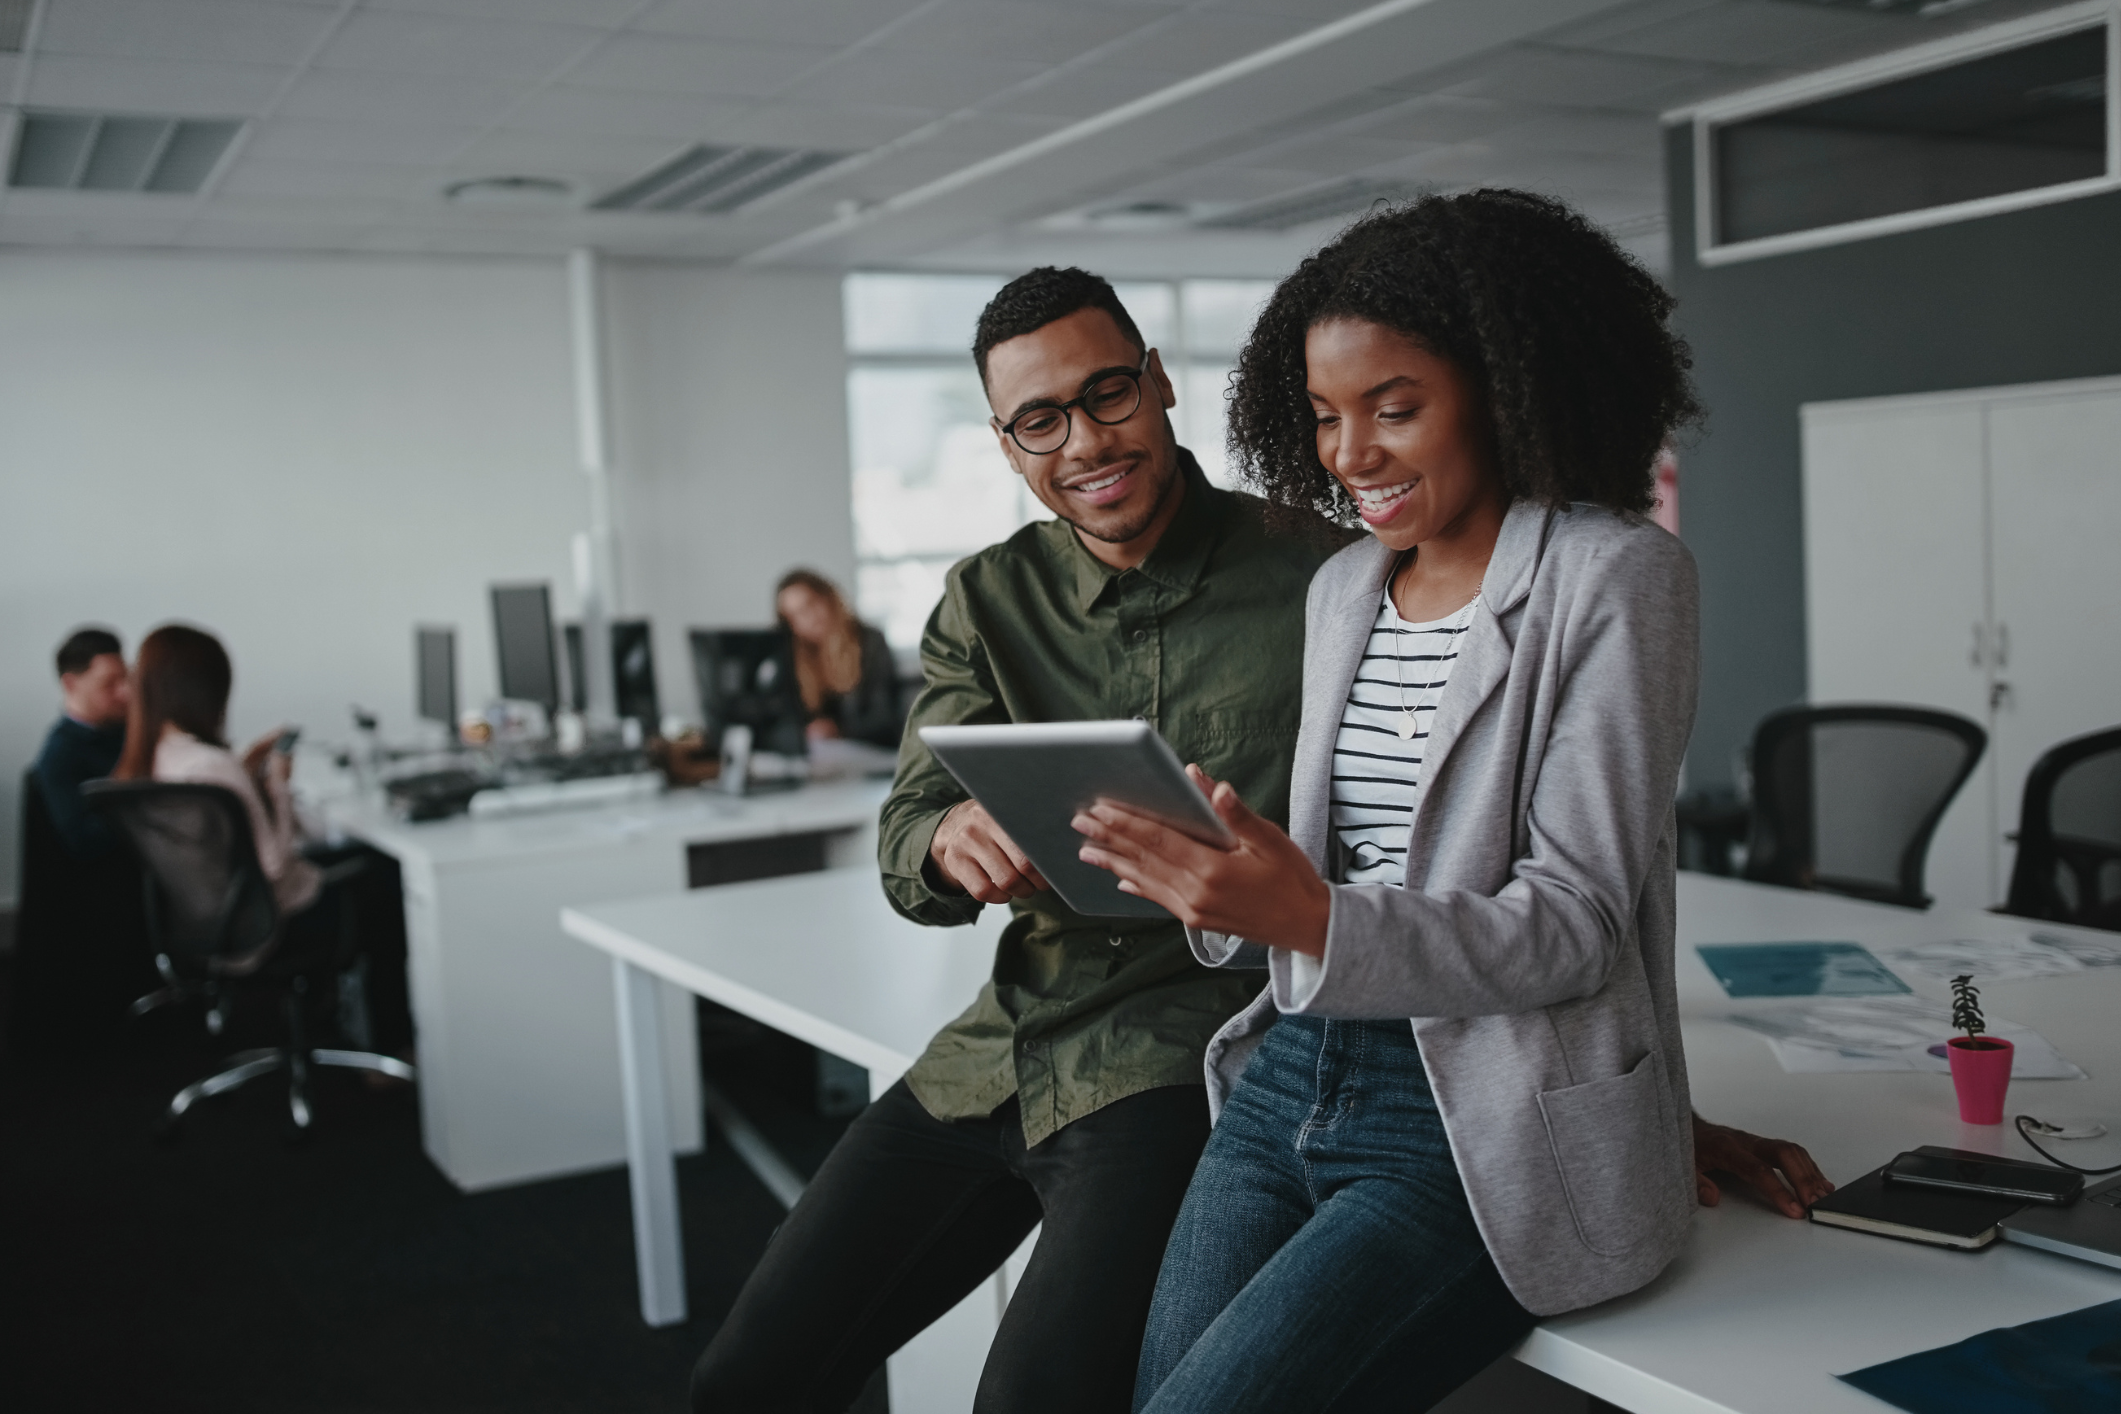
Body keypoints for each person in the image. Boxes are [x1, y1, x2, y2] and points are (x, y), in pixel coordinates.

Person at [689, 266, 1827, 1414]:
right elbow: (909, 834)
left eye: (1109, 394)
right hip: (1031, 1038)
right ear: (1005, 441)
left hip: (1190, 1053)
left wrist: (1625, 1104)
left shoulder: (1327, 568)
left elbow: (1539, 886)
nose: (1084, 439)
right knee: (743, 1378)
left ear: (1161, 381)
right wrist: (946, 839)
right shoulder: (994, 599)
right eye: (1041, 419)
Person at [1070, 191, 1801, 1414]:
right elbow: (1334, 873)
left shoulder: (1617, 577)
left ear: (1507, 390)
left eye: (1394, 408)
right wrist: (1223, 870)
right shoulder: (1345, 587)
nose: (1349, 454)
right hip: (1296, 1062)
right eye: (1322, 417)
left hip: (1474, 1115)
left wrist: (1309, 915)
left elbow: (1574, 924)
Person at [113, 624, 319, 916]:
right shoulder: (213, 764)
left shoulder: (156, 756)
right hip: (267, 924)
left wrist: (247, 767)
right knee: (381, 869)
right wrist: (279, 782)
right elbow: (274, 866)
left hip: (204, 921)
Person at [773, 569, 905, 749]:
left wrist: (839, 730)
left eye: (810, 604)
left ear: (828, 598)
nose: (808, 618)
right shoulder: (790, 657)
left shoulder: (870, 642)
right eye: (795, 615)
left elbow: (886, 719)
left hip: (871, 754)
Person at [30, 627, 132, 860]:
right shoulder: (60, 756)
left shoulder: (132, 732)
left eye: (125, 679)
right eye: (109, 684)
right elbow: (83, 840)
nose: (125, 692)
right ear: (70, 684)